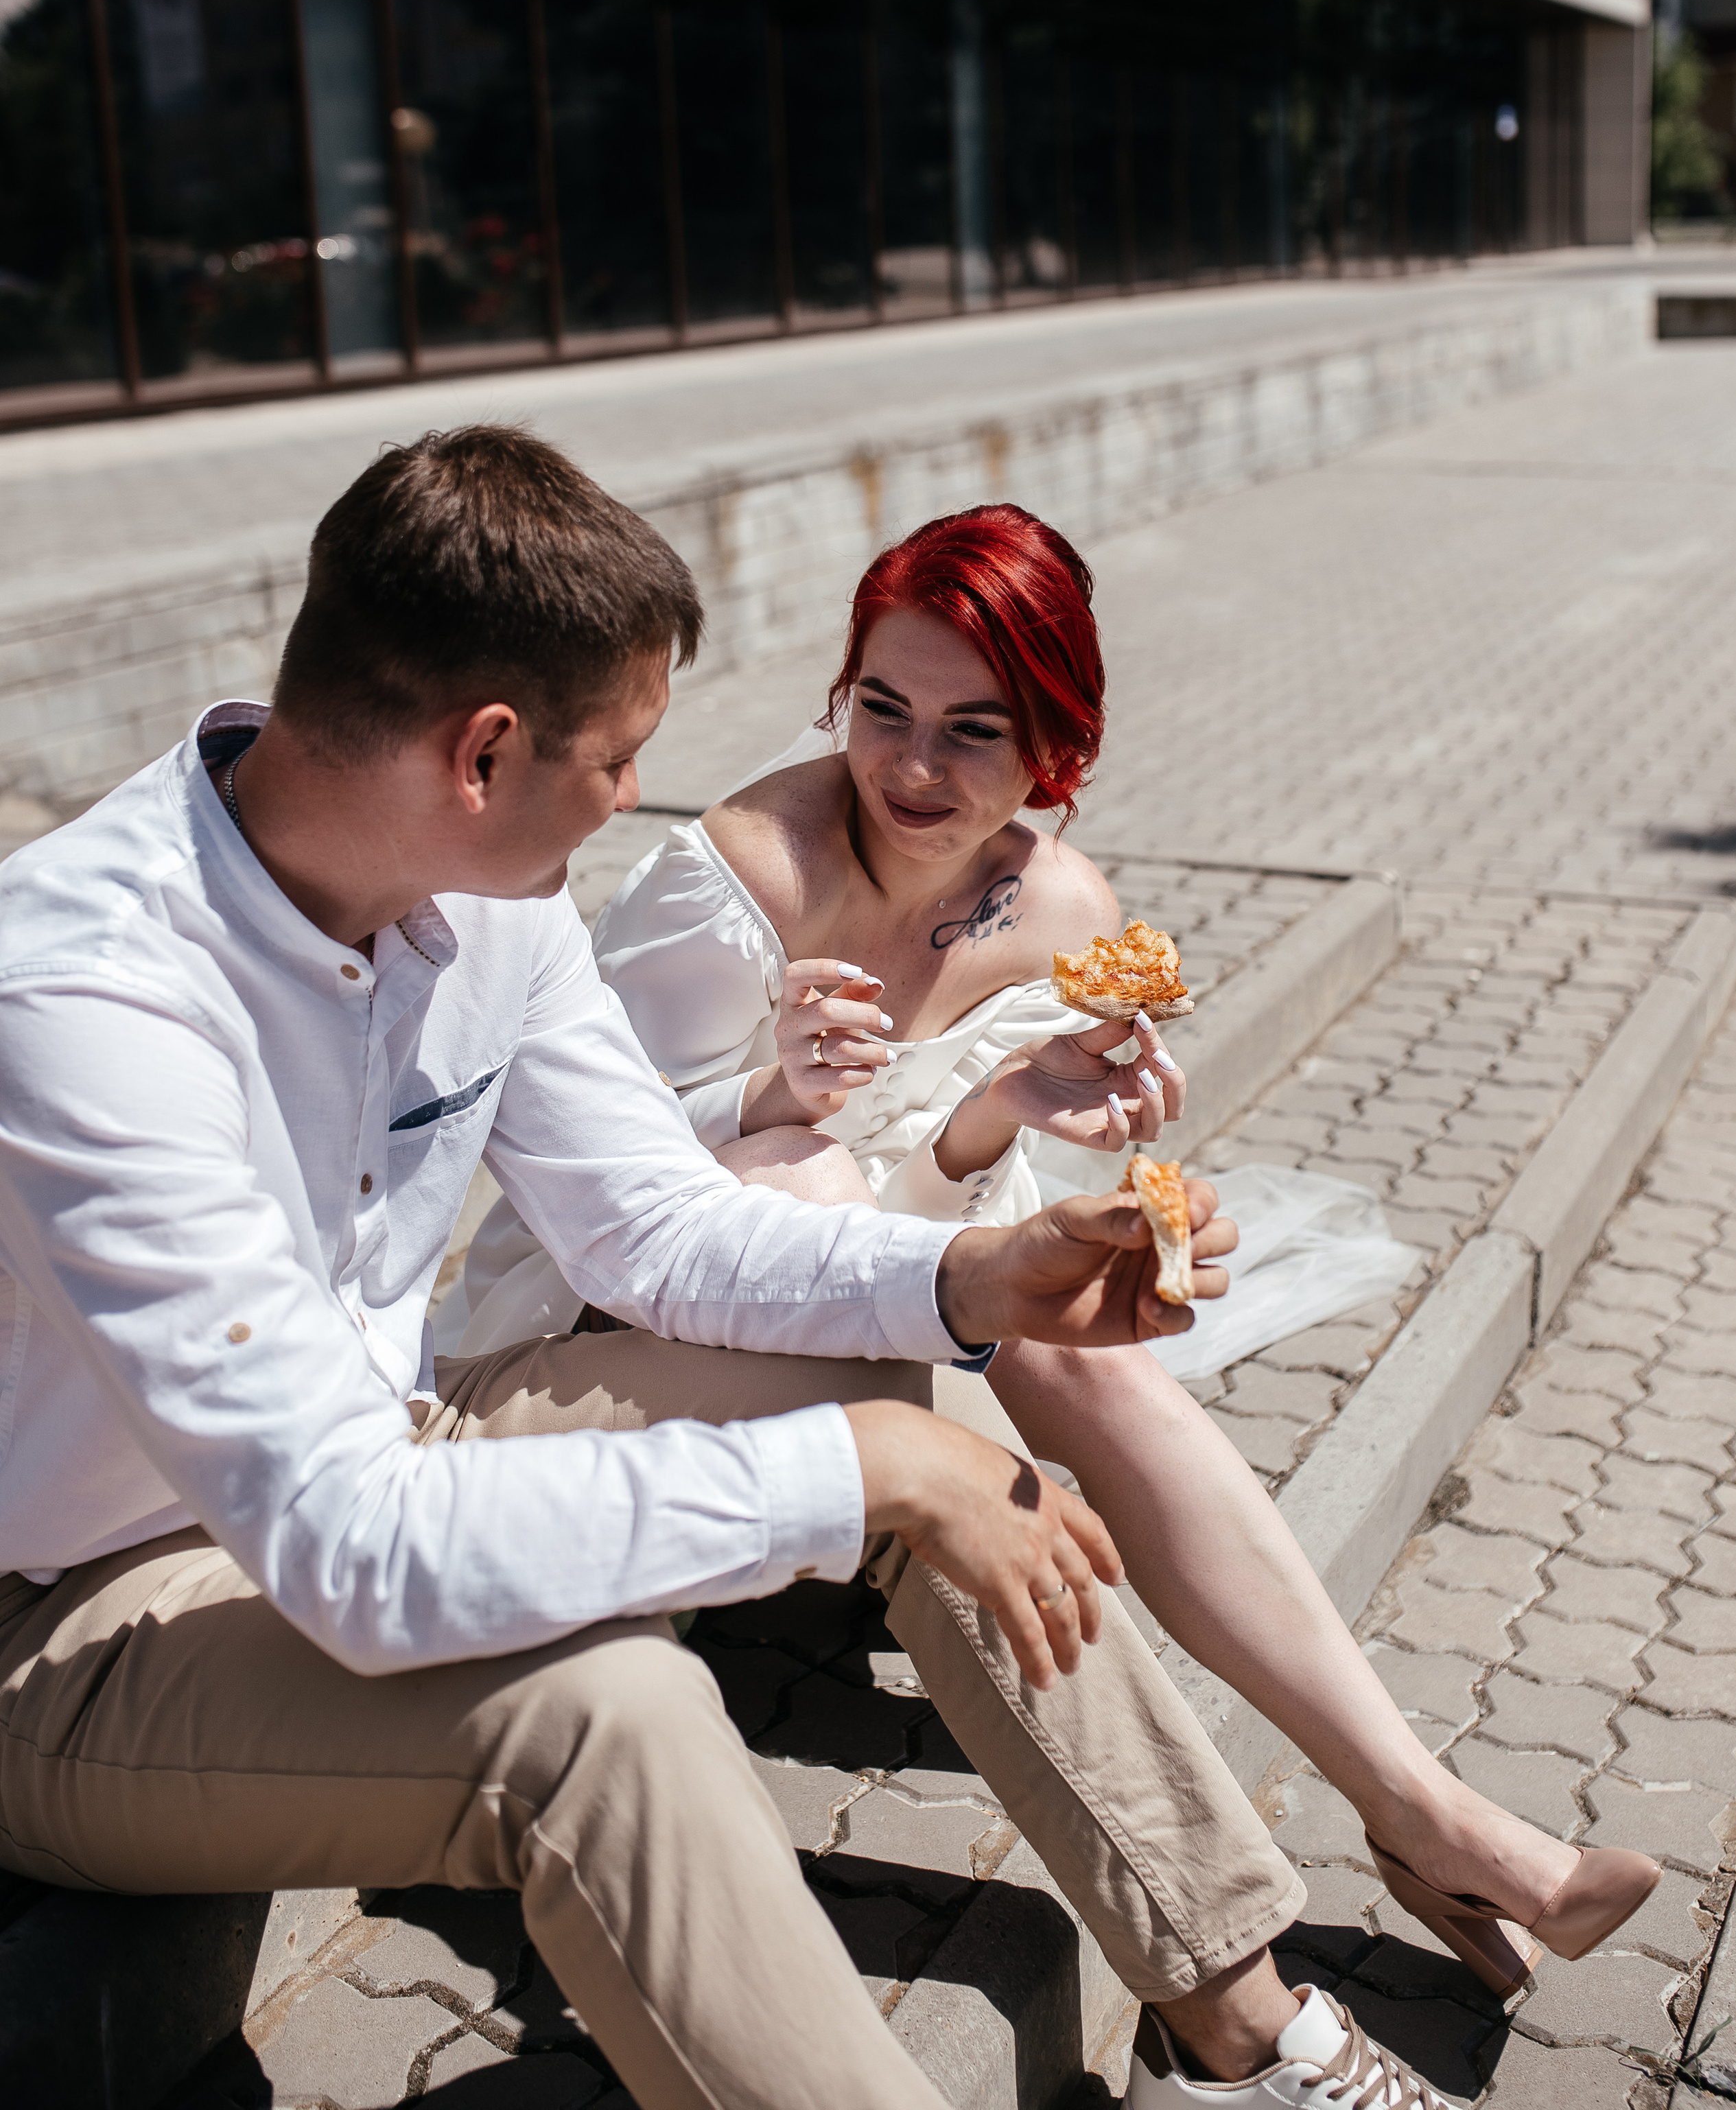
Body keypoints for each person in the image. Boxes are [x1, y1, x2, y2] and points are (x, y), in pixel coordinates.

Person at [0, 425, 1512, 2110]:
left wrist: (975, 1283)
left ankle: (1236, 2022)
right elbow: (344, 1545)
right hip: (87, 1617)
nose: (641, 799)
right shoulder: (91, 997)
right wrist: (857, 1471)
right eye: (618, 759)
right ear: (485, 753)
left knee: (894, 1389)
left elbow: (651, 1225)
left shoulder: (486, 897)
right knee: (614, 1718)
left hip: (396, 1436)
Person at [462, 499, 1662, 2011]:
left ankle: (1421, 1809)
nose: (910, 768)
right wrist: (766, 1089)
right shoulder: (741, 877)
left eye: (975, 730)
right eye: (880, 709)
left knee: (1073, 1342)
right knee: (803, 1165)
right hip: (596, 1352)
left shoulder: (1058, 916)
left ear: (1055, 747)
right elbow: (580, 1178)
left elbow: (947, 1211)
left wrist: (1007, 1109)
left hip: (866, 1350)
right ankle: (1244, 1912)